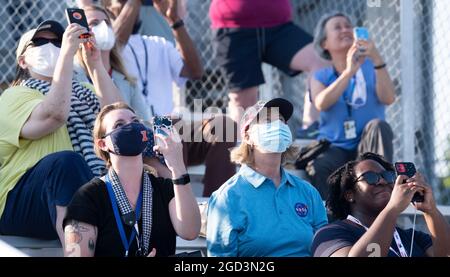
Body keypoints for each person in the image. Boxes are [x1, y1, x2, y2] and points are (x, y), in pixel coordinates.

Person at [0, 19, 120, 243]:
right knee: (66, 164)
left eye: (57, 41)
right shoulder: (13, 96)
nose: (52, 46)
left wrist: (94, 65)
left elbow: (118, 121)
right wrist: (66, 55)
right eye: (39, 42)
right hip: (19, 202)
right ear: (22, 60)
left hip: (81, 187)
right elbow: (54, 115)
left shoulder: (84, 91)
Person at [63, 102, 201, 257]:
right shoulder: (88, 197)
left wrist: (177, 166)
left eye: (135, 121)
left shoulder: (164, 188)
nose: (131, 127)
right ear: (102, 144)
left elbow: (190, 231)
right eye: (119, 124)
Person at [207, 98, 328, 257]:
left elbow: (325, 246)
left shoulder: (308, 192)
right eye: (267, 121)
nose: (277, 126)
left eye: (281, 120)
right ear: (247, 136)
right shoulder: (228, 197)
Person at [307, 12, 396, 198]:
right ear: (325, 44)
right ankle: (330, 224)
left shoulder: (372, 68)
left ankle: (381, 207)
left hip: (367, 146)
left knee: (379, 127)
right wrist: (348, 72)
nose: (345, 29)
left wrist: (378, 60)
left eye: (348, 26)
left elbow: (389, 98)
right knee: (320, 164)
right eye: (337, 27)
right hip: (335, 147)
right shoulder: (320, 76)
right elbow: (321, 103)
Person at [209, 0, 328, 124]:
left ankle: (311, 128)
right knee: (243, 100)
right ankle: (244, 142)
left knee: (321, 61)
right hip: (234, 27)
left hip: (279, 25)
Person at [311, 152, 450, 257]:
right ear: (349, 195)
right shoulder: (330, 234)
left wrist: (431, 211)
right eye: (370, 177)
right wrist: (393, 209)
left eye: (388, 176)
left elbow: (444, 254)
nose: (383, 181)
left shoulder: (410, 236)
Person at [74, 4, 151, 122]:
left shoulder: (129, 83)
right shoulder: (71, 76)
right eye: (94, 23)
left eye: (107, 23)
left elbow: (146, 124)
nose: (104, 26)